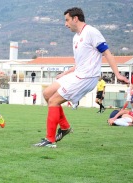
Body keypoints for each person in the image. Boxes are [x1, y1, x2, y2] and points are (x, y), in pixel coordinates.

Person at [34, 7, 128, 148]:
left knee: (53, 101)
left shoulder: (91, 32)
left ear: (75, 18)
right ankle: (65, 127)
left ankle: (50, 140)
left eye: (67, 20)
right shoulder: (76, 37)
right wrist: (65, 73)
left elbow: (107, 53)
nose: (65, 24)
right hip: (77, 74)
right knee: (47, 93)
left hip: (87, 77)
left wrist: (118, 74)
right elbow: (79, 64)